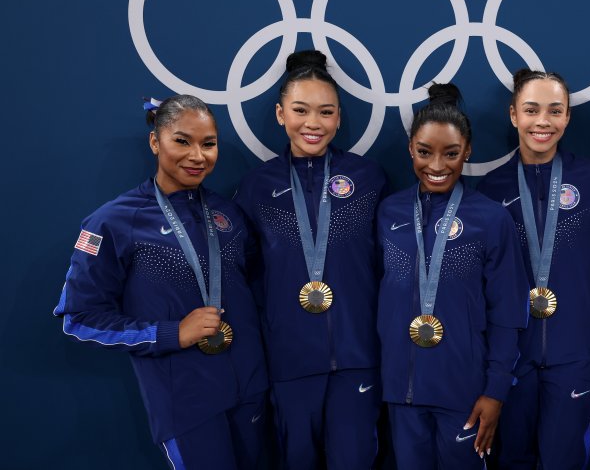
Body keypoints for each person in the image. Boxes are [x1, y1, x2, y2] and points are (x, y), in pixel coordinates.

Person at [53, 95, 268, 469]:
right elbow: (79, 317)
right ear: (156, 142)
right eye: (182, 141)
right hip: (186, 403)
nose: (197, 156)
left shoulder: (229, 214)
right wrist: (169, 333)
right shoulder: (112, 222)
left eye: (208, 143)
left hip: (251, 392)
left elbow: (253, 284)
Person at [234, 50, 387, 469]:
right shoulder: (256, 187)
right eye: (301, 111)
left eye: (326, 112)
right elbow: (244, 276)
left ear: (339, 118)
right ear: (282, 114)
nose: (313, 124)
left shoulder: (369, 178)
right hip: (289, 362)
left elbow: (388, 268)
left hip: (358, 359)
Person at [376, 83, 528, 469]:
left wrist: (495, 392)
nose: (437, 166)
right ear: (411, 148)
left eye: (451, 153)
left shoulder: (492, 218)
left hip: (464, 392)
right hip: (402, 392)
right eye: (425, 152)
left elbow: (509, 314)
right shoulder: (389, 212)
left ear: (468, 152)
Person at [477, 69, 590, 469]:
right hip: (514, 356)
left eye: (555, 111)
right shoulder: (490, 189)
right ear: (514, 114)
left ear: (567, 117)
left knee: (565, 461)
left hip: (574, 353)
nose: (543, 121)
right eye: (531, 110)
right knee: (512, 459)